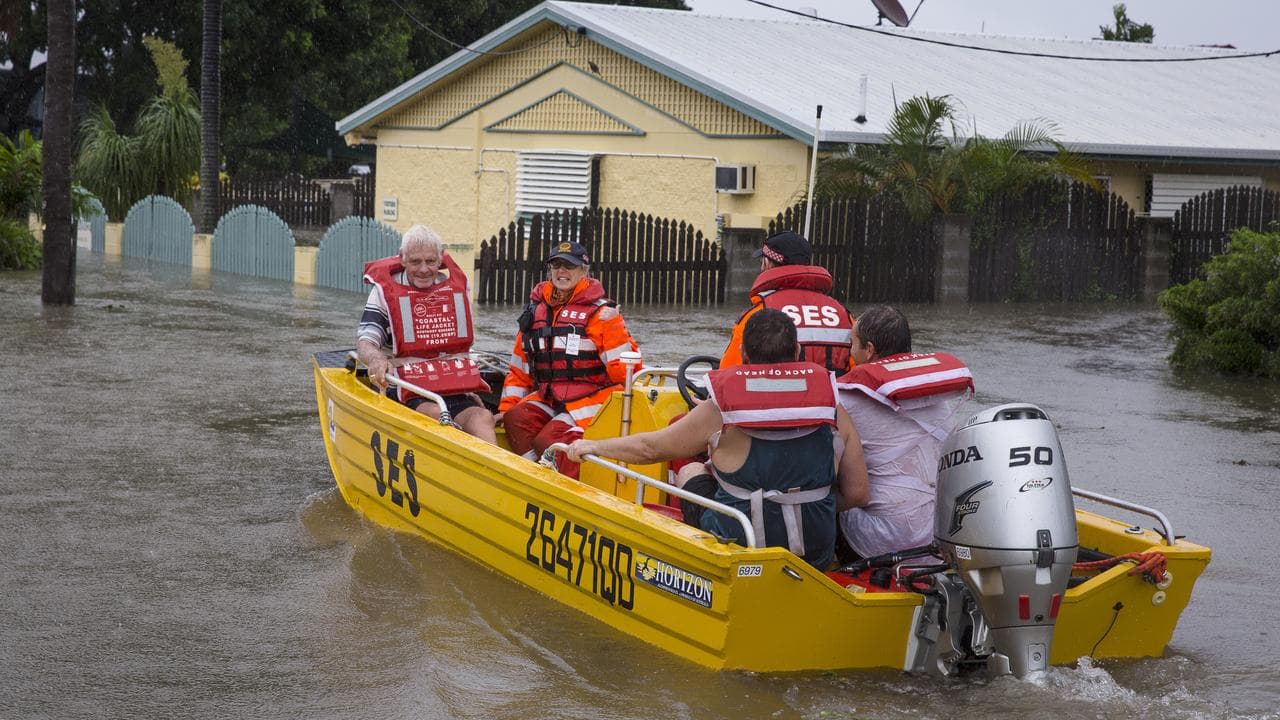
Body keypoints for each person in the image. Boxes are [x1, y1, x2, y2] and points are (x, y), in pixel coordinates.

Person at [567, 309, 868, 570]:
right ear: (798, 351)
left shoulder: (722, 407)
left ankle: (688, 546)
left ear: (745, 355)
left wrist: (593, 446)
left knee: (691, 467)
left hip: (740, 540)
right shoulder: (831, 404)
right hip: (814, 550)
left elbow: (651, 448)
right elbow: (856, 494)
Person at [834, 304, 974, 560]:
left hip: (885, 539)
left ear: (869, 350)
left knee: (822, 498)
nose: (850, 352)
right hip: (945, 530)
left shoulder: (846, 399)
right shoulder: (935, 394)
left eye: (852, 343)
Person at [497, 240, 639, 477]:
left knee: (550, 439)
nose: (562, 272)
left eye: (569, 266)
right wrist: (507, 408)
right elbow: (519, 369)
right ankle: (535, 475)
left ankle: (567, 488)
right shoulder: (535, 313)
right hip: (552, 396)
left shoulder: (602, 314)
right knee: (516, 419)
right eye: (556, 266)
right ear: (549, 270)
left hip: (593, 397)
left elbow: (626, 373)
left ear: (584, 271)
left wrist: (614, 328)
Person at [357, 224, 497, 443]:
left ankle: (493, 473)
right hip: (408, 388)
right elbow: (366, 340)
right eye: (415, 262)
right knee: (436, 416)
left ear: (440, 259)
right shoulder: (384, 293)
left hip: (451, 384)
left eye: (431, 261)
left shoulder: (454, 289)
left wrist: (469, 387)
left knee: (483, 417)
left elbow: (462, 346)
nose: (424, 269)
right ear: (402, 259)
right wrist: (376, 359)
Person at [721, 230, 854, 373]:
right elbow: (857, 372)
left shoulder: (757, 315)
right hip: (828, 394)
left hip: (772, 394)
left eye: (761, 262)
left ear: (767, 263)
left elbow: (729, 372)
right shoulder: (843, 314)